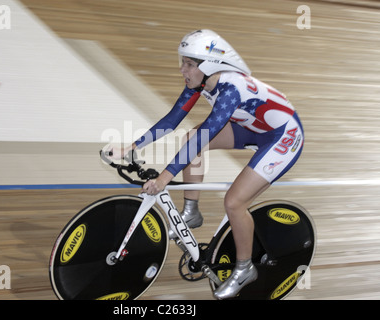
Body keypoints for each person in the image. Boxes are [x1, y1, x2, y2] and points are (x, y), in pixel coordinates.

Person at [106, 29, 304, 299]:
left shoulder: (231, 88)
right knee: (190, 137)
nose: (182, 69)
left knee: (234, 202)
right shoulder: (200, 82)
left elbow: (205, 135)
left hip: (283, 135)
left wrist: (165, 177)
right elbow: (172, 120)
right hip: (254, 126)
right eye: (183, 62)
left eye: (188, 64)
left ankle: (245, 268)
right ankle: (192, 211)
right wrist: (131, 147)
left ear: (209, 65)